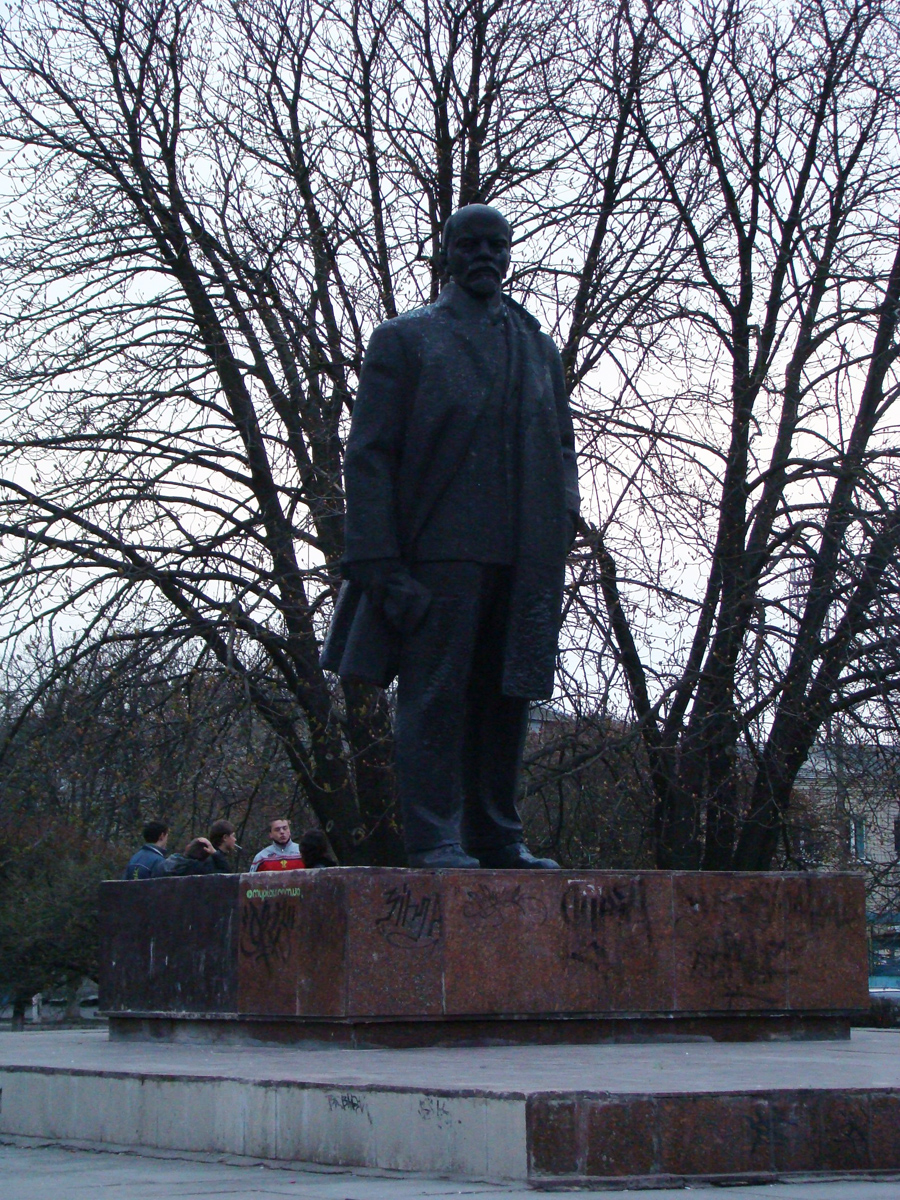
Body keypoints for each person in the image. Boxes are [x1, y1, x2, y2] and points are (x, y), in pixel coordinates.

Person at [321, 204, 579, 869]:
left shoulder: (538, 348)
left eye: (497, 244)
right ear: (447, 254)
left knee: (507, 696)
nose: (485, 255)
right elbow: (369, 454)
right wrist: (378, 561)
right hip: (439, 551)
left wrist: (561, 526)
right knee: (435, 697)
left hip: (522, 556)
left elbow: (561, 449)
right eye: (471, 244)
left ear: (509, 253)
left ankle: (496, 834)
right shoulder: (406, 338)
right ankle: (435, 834)